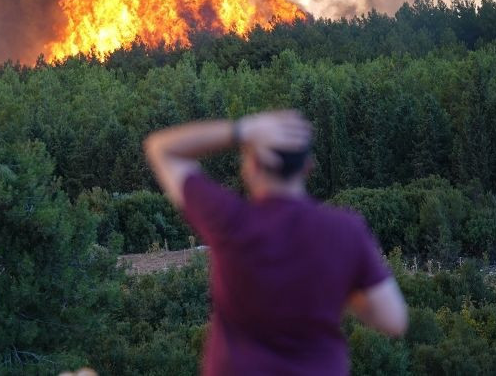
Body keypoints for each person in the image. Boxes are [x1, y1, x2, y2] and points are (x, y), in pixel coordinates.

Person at [143, 110, 407, 375]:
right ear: (308, 167)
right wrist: (337, 288)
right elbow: (393, 319)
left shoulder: (230, 221)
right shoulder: (346, 230)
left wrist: (241, 131)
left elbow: (161, 148)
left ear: (251, 167)